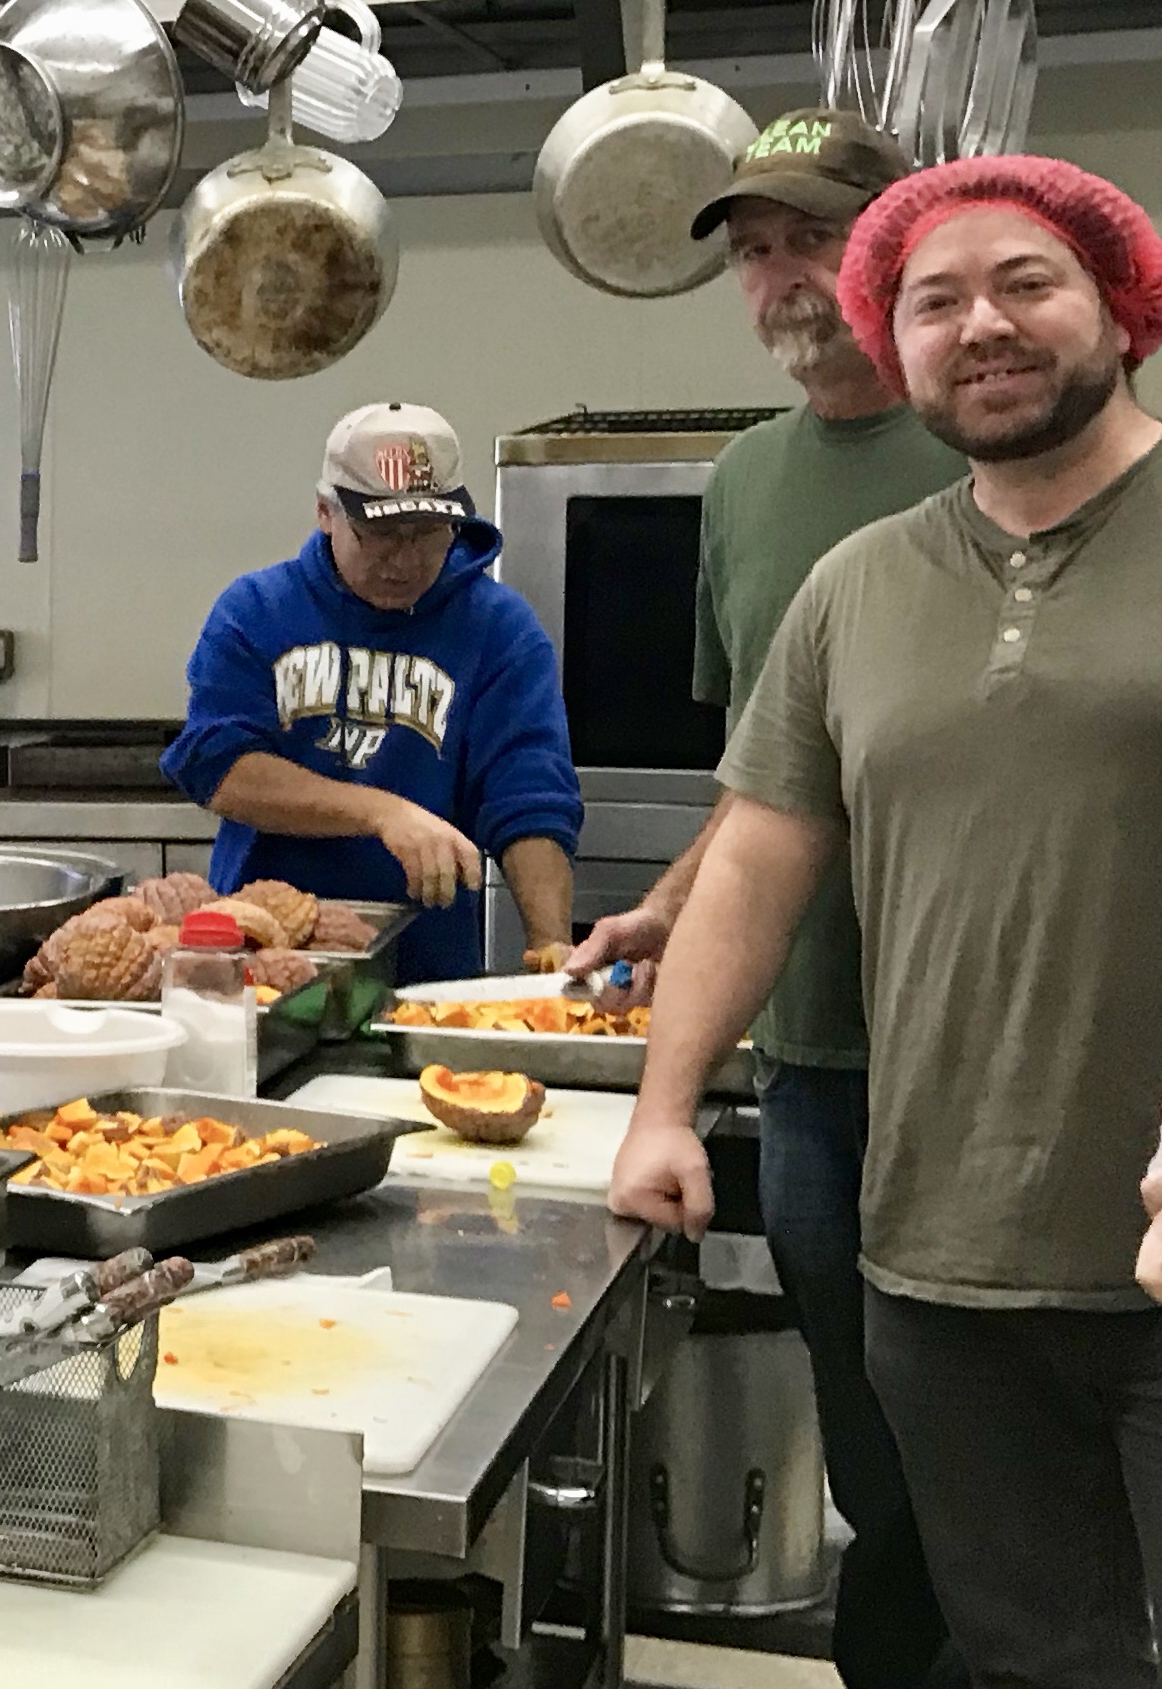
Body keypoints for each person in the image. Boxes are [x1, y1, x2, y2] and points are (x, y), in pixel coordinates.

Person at [607, 155, 1162, 1689]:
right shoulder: (856, 586)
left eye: (1024, 283)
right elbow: (753, 867)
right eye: (932, 302)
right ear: (895, 340)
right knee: (1025, 1651)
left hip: (1146, 1249)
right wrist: (663, 1102)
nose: (978, 325)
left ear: (1119, 307)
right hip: (934, 1257)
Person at [558, 111, 965, 1689]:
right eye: (750, 251)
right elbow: (761, 776)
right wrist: (676, 906)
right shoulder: (744, 481)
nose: (782, 279)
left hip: (992, 1050)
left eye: (811, 238)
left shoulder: (996, 439)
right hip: (813, 1057)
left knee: (1020, 1456)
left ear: (887, 245)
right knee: (876, 1458)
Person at [160, 402, 583, 981]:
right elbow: (221, 768)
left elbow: (529, 797)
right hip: (260, 967)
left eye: (428, 534)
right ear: (325, 513)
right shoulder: (256, 611)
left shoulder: (499, 631)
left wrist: (552, 949)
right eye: (380, 534)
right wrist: (382, 813)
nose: (405, 560)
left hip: (427, 975)